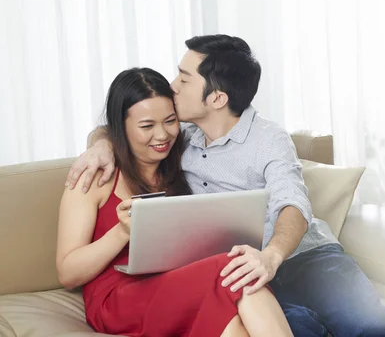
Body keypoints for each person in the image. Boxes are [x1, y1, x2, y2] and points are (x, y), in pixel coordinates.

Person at [66, 35, 385, 336]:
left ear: (216, 98)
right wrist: (99, 145)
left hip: (303, 256)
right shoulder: (178, 141)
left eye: (183, 78)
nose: (172, 86)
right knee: (297, 327)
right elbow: (125, 126)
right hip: (242, 267)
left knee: (370, 328)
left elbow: (292, 203)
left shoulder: (269, 140)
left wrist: (271, 256)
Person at [56, 67, 293, 337]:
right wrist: (122, 232)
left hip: (179, 284)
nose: (162, 135)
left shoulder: (185, 159)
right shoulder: (95, 176)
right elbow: (67, 273)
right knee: (233, 268)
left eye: (170, 121)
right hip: (117, 299)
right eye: (147, 126)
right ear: (120, 127)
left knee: (235, 321)